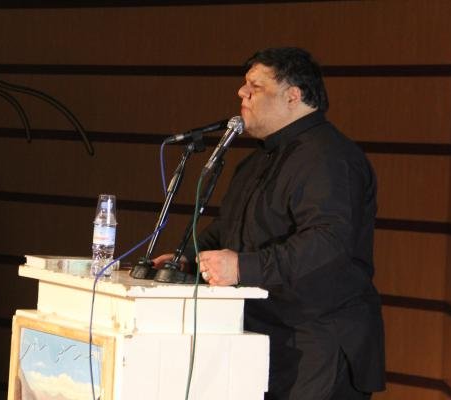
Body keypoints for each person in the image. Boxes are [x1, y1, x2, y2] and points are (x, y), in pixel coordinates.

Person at [153, 47, 385, 399]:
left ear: (293, 95)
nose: (241, 93)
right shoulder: (256, 161)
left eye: (255, 86)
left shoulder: (330, 158)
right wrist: (187, 259)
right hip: (268, 337)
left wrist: (241, 267)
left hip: (318, 343)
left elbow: (327, 243)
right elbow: (230, 228)